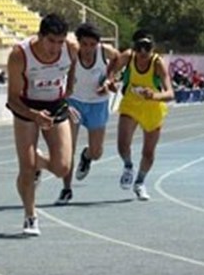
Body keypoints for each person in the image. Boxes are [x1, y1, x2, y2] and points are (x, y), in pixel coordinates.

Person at [6, 13, 78, 235]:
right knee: (26, 168)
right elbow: (12, 99)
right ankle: (30, 215)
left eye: (60, 42)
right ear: (40, 36)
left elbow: (72, 67)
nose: (55, 48)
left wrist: (69, 91)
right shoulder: (20, 55)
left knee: (62, 168)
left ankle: (40, 161)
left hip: (55, 104)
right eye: (50, 41)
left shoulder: (71, 49)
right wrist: (34, 115)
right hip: (26, 106)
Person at [107, 30, 174, 201]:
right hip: (130, 104)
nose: (143, 52)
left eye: (147, 47)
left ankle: (140, 182)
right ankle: (128, 165)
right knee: (122, 144)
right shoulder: (128, 57)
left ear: (153, 48)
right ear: (133, 47)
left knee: (148, 152)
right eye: (139, 47)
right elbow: (111, 70)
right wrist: (110, 81)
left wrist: (154, 95)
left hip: (152, 108)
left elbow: (170, 93)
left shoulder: (157, 63)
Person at [56, 23, 119, 205]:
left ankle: (87, 156)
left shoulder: (104, 51)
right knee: (68, 148)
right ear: (79, 42)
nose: (88, 49)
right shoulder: (72, 52)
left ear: (97, 44)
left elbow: (118, 59)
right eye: (85, 44)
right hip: (75, 103)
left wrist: (109, 78)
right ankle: (66, 189)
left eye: (92, 45)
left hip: (98, 104)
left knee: (97, 152)